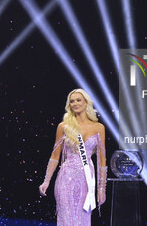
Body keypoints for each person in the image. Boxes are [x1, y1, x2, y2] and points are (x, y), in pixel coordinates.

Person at [39, 88, 107, 226]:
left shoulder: (99, 127)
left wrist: (101, 188)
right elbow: (55, 155)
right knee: (67, 218)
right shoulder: (64, 126)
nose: (75, 103)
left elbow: (102, 161)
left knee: (82, 219)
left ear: (86, 102)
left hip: (86, 180)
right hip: (66, 178)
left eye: (78, 100)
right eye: (72, 101)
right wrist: (46, 181)